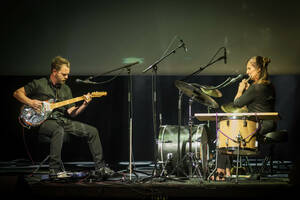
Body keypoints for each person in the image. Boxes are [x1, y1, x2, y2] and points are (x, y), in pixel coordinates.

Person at [13, 56, 113, 179]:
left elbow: (72, 113)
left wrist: (85, 104)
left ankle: (101, 168)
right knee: (57, 129)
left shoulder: (66, 89)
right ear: (54, 71)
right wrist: (31, 102)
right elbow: (17, 93)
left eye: (67, 74)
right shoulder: (40, 83)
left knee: (92, 131)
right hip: (43, 122)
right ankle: (54, 171)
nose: (67, 77)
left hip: (61, 120)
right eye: (64, 74)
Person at [215, 56, 276, 180]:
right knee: (228, 135)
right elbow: (259, 104)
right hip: (269, 124)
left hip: (259, 126)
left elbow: (236, 104)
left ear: (258, 69)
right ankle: (226, 171)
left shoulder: (255, 87)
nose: (247, 72)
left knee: (224, 136)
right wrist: (249, 92)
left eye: (249, 68)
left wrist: (240, 90)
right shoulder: (268, 86)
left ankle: (221, 172)